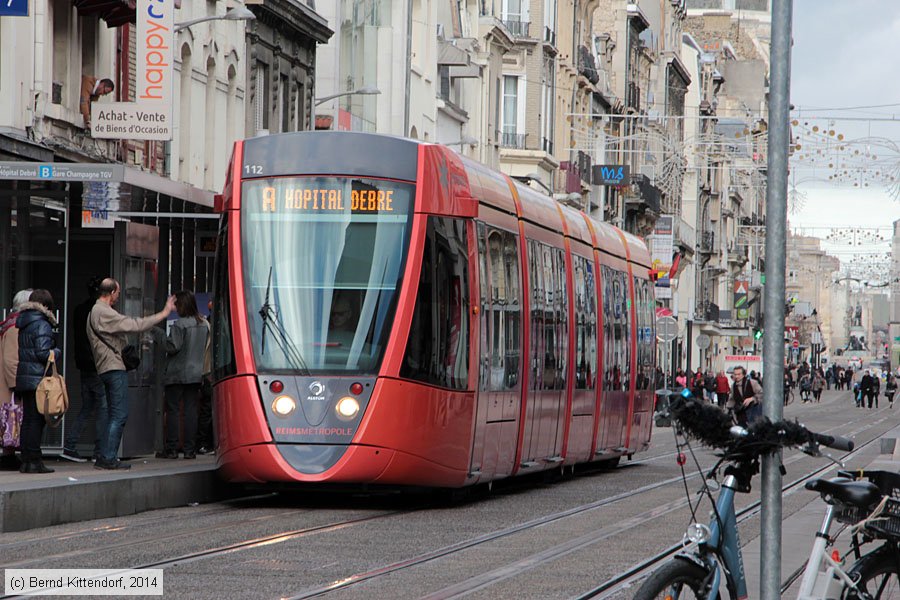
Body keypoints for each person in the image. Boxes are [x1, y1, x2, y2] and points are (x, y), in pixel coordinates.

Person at [87, 278, 175, 470]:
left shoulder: (94, 312)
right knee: (119, 414)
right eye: (118, 293)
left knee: (111, 414)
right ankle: (108, 457)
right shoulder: (104, 312)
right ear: (111, 293)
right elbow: (135, 325)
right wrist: (164, 313)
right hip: (113, 368)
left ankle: (104, 455)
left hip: (104, 367)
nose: (118, 296)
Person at [159, 291, 209, 460]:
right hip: (195, 374)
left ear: (182, 306)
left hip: (177, 373)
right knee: (191, 411)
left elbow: (172, 347)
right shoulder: (204, 324)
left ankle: (172, 449)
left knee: (173, 410)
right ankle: (189, 449)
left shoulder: (180, 325)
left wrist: (158, 335)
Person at [16, 290, 61, 474]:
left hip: (25, 377)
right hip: (37, 379)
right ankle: (34, 460)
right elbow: (43, 353)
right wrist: (57, 351)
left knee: (27, 420)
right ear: (47, 306)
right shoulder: (42, 324)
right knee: (36, 421)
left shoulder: (25, 322)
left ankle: (26, 460)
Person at [63, 277, 107, 462]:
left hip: (83, 363)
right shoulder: (99, 312)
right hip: (97, 363)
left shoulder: (80, 310)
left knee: (87, 407)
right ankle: (100, 450)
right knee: (103, 408)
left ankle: (70, 444)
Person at [0, 289, 32, 470]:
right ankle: (9, 456)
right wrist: (16, 385)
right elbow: (11, 360)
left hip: (10, 383)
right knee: (13, 420)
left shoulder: (10, 324)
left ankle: (9, 455)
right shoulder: (14, 328)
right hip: (11, 386)